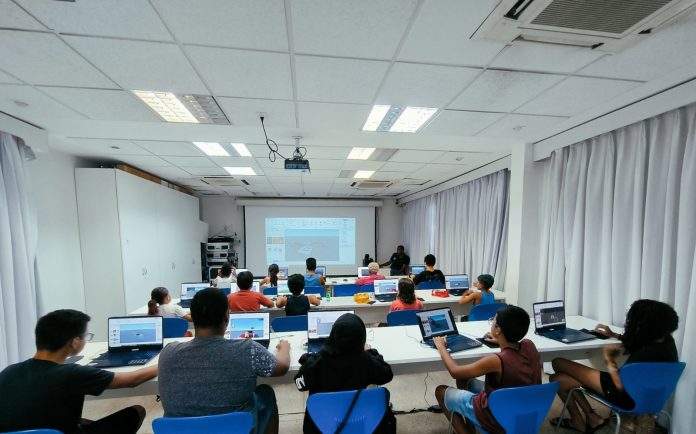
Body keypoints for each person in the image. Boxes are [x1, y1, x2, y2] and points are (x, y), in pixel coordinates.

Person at [0, 309, 157, 434]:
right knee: (136, 412)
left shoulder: (8, 371)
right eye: (86, 336)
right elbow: (132, 380)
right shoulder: (72, 374)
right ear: (75, 342)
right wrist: (164, 362)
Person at [158, 288, 290, 434]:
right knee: (265, 393)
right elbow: (282, 367)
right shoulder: (247, 349)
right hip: (236, 430)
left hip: (182, 431)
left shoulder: (168, 353)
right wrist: (284, 347)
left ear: (192, 318)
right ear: (227, 317)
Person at [548, 299, 679, 433]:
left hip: (622, 394)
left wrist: (609, 359)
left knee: (558, 362)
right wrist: (614, 335)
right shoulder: (666, 342)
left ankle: (586, 419)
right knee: (558, 379)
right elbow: (640, 340)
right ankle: (589, 419)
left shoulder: (645, 355)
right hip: (648, 397)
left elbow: (620, 386)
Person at [434, 305, 541, 434]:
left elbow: (455, 371)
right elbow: (515, 347)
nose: (492, 322)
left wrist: (441, 347)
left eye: (493, 320)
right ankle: (470, 427)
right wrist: (501, 340)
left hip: (497, 418)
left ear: (498, 330)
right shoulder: (529, 345)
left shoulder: (496, 360)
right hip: (524, 410)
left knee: (440, 391)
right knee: (464, 380)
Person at [294, 313, 395, 433]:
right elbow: (387, 374)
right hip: (356, 420)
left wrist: (310, 360)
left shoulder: (319, 361)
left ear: (333, 335)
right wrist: (371, 353)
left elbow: (300, 384)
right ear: (361, 337)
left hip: (321, 423)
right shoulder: (365, 360)